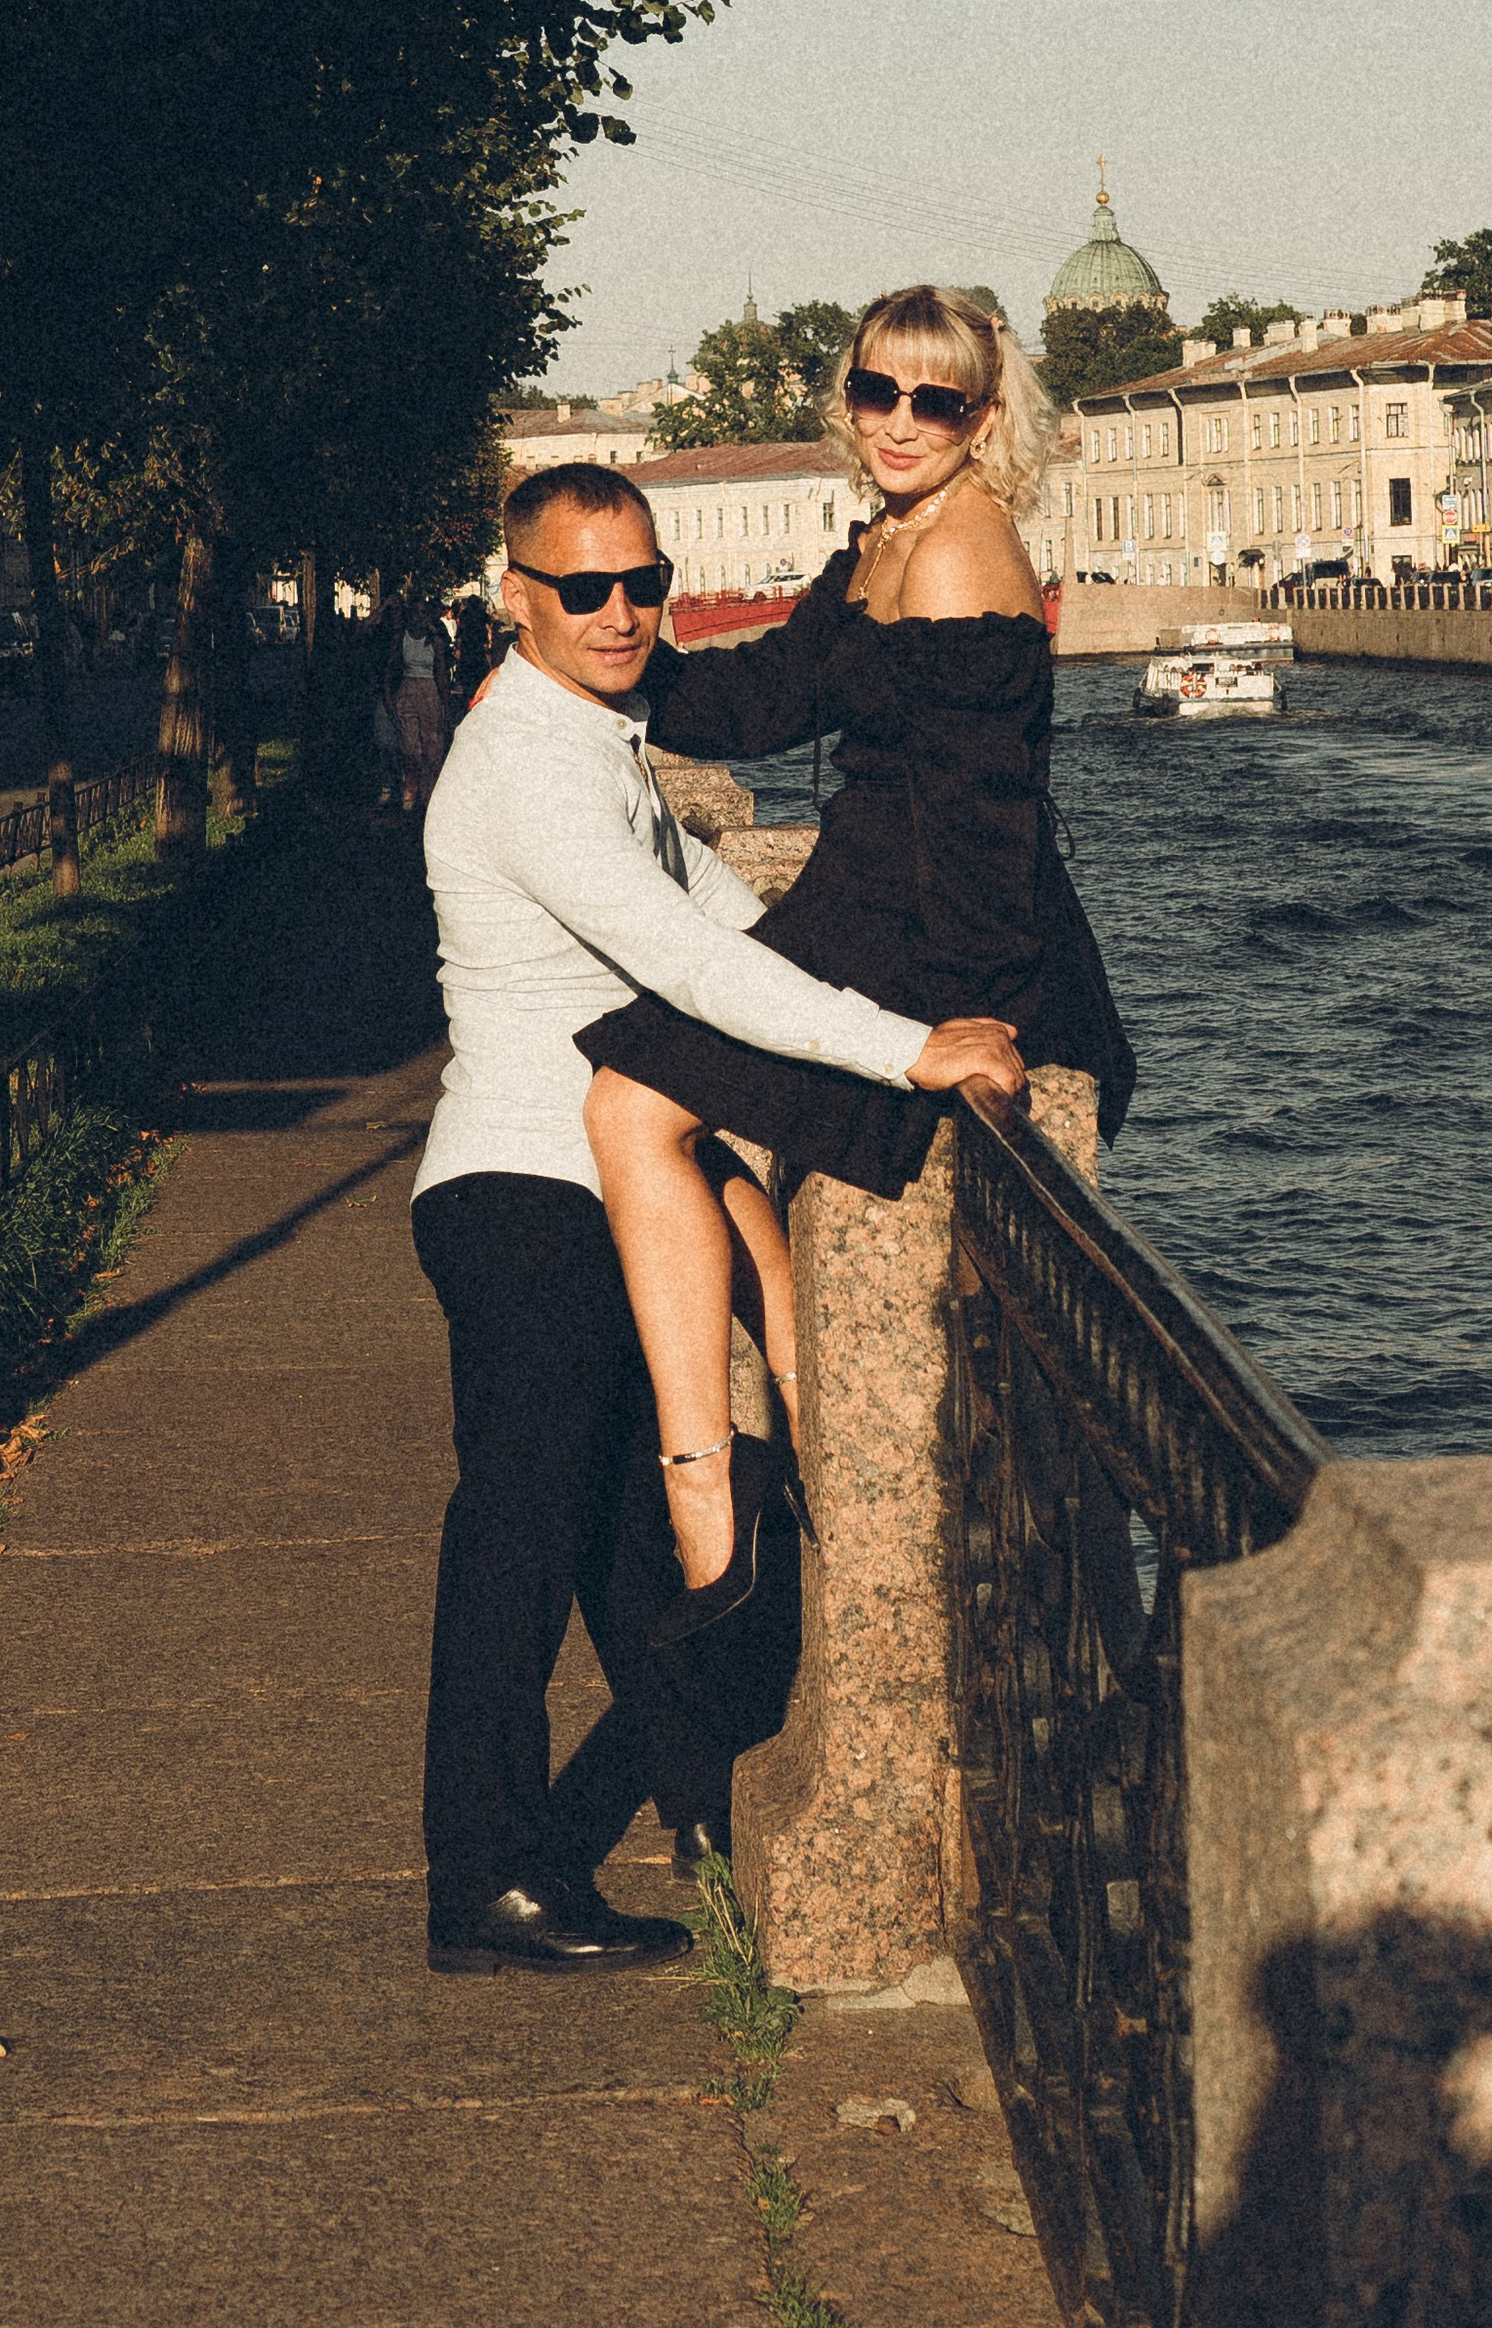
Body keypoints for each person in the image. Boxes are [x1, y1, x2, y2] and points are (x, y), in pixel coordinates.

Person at [410, 459, 1024, 1977]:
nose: (624, 615)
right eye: (583, 589)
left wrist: (925, 982)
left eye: (644, 584)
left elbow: (737, 917)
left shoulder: (589, 734)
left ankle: (701, 1804)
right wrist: (901, 1053)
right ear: (516, 598)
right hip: (526, 1192)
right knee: (519, 1540)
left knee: (626, 1538)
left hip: (582, 1186)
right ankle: (482, 1878)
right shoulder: (531, 769)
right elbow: (691, 967)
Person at [581, 285, 1134, 1624]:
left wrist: (954, 1026)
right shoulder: (886, 535)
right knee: (655, 1105)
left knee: (633, 1104)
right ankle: (778, 1391)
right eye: (877, 391)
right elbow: (769, 696)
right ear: (850, 397)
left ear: (984, 417)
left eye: (933, 400)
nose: (898, 422)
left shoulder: (959, 554)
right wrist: (600, 655)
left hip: (939, 932)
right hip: (863, 897)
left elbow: (985, 818)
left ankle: (714, 1482)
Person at [393, 595, 449, 815]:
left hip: (429, 692)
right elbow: (392, 668)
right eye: (415, 613)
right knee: (411, 747)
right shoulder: (402, 639)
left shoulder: (435, 641)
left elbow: (441, 674)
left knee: (431, 747)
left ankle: (428, 795)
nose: (419, 617)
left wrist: (445, 705)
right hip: (408, 690)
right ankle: (410, 786)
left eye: (423, 613)